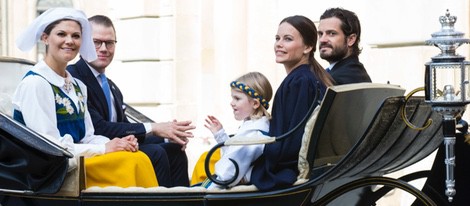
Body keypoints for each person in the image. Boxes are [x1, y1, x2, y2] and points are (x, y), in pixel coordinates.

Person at [12, 7, 157, 188]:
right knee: (130, 164)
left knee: (138, 157)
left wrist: (117, 143)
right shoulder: (36, 84)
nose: (69, 41)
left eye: (76, 36)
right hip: (51, 173)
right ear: (45, 37)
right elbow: (50, 148)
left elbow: (88, 136)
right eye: (61, 34)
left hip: (77, 160)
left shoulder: (77, 86)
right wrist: (105, 149)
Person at [67, 15, 194, 187]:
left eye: (109, 43)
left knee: (174, 149)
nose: (103, 48)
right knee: (156, 153)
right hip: (95, 152)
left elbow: (125, 127)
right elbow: (98, 127)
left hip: (119, 146)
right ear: (83, 44)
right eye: (96, 42)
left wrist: (168, 136)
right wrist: (154, 128)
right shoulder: (73, 77)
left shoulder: (111, 87)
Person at [250, 15, 334, 191]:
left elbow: (291, 139)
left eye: (287, 39)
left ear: (308, 47)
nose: (279, 44)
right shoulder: (310, 76)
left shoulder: (299, 81)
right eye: (277, 38)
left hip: (285, 169)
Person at [195, 72, 273, 189]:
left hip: (219, 188)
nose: (232, 103)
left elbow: (227, 174)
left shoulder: (253, 133)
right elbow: (235, 155)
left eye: (237, 98)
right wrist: (220, 134)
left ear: (255, 103)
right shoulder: (253, 126)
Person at [317, 7, 371, 84]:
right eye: (320, 34)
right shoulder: (342, 71)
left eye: (332, 33)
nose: (322, 40)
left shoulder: (342, 78)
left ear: (351, 39)